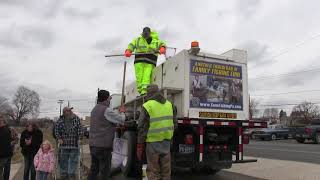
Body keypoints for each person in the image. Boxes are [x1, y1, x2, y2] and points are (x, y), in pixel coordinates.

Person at [137, 84, 177, 180]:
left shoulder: (147, 106)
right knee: (166, 171)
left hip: (152, 143)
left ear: (148, 93)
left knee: (153, 171)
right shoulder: (170, 105)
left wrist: (140, 143)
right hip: (166, 143)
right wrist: (170, 138)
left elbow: (141, 126)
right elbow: (175, 124)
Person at [87, 90, 126, 180]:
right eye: (109, 97)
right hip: (103, 147)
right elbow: (121, 119)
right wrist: (122, 112)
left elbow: (102, 125)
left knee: (94, 169)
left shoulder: (94, 109)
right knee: (105, 171)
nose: (110, 99)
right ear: (106, 98)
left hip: (93, 145)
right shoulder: (106, 110)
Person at [125, 27, 166, 95]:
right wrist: (128, 51)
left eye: (147, 33)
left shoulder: (156, 41)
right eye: (144, 34)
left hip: (150, 62)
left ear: (150, 33)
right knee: (139, 77)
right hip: (139, 62)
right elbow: (131, 45)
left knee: (147, 76)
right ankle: (141, 92)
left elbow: (162, 45)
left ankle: (145, 91)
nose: (145, 35)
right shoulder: (138, 40)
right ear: (142, 33)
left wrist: (162, 48)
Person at [54, 107, 82, 180]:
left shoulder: (76, 119)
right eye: (67, 111)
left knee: (73, 160)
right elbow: (56, 130)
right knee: (63, 160)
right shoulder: (60, 120)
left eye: (69, 111)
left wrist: (79, 138)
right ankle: (64, 173)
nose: (69, 112)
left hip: (74, 144)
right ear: (64, 112)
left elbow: (80, 129)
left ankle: (71, 174)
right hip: (63, 144)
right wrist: (59, 138)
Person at [0, 115, 12, 180]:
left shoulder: (6, 130)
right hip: (8, 154)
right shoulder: (8, 129)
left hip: (3, 155)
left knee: (2, 172)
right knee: (6, 171)